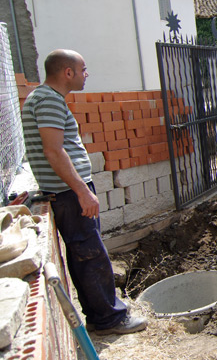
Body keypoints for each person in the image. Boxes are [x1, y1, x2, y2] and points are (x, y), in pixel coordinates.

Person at [22, 49, 147, 336]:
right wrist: (82, 191)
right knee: (90, 254)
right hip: (68, 192)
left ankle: (99, 313)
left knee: (84, 254)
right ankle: (110, 319)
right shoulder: (48, 101)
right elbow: (54, 151)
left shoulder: (44, 99)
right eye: (83, 70)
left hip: (66, 191)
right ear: (68, 72)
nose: (86, 75)